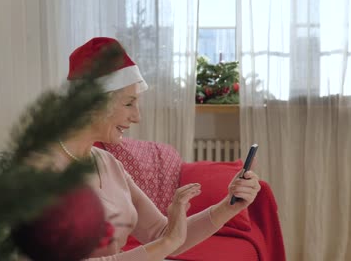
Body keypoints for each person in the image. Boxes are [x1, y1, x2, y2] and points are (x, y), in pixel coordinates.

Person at [37, 37, 261, 260]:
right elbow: (165, 241)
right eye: (128, 103)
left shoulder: (108, 163)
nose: (137, 117)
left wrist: (228, 207)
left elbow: (162, 234)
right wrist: (166, 242)